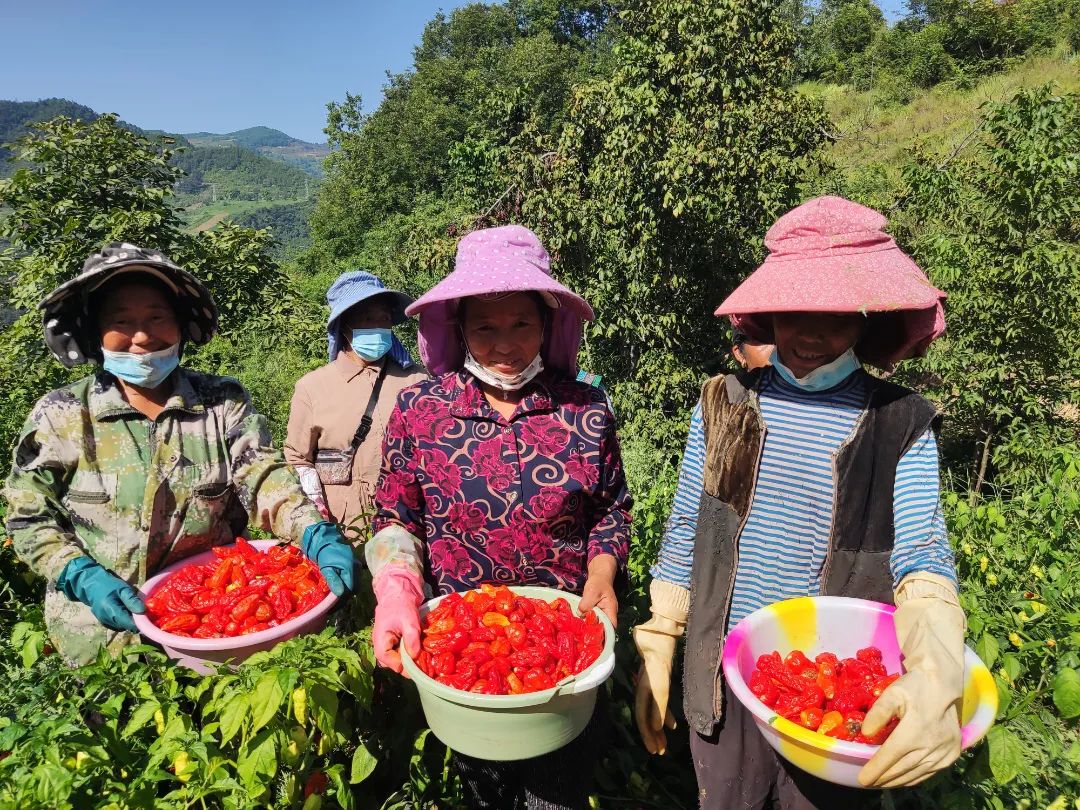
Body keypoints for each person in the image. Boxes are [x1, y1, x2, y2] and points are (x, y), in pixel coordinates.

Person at [632, 197, 965, 808]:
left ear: (867, 320)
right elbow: (686, 529)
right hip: (726, 673)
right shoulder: (723, 402)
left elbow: (921, 547)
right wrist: (661, 634)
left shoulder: (900, 420)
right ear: (769, 311)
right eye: (795, 311)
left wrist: (938, 660)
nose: (812, 334)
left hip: (831, 683)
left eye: (837, 316)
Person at [365, 225, 633, 809]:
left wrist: (602, 577)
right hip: (462, 643)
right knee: (483, 786)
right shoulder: (420, 409)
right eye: (485, 327)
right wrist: (396, 588)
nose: (504, 344)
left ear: (547, 326)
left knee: (555, 793)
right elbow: (395, 511)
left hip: (563, 638)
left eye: (521, 325)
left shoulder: (584, 409)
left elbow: (612, 509)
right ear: (459, 329)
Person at [3, 244, 355, 666]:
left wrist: (312, 530)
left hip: (216, 627)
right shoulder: (62, 415)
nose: (141, 336)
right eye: (121, 321)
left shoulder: (221, 402)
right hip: (101, 642)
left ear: (180, 325)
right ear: (95, 331)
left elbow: (262, 475)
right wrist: (79, 574)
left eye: (157, 317)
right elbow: (27, 514)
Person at [285, 271, 427, 531]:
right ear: (345, 326)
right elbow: (297, 458)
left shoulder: (416, 379)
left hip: (414, 527)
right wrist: (317, 519)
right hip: (347, 531)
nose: (377, 326)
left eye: (384, 319)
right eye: (367, 319)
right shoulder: (313, 388)